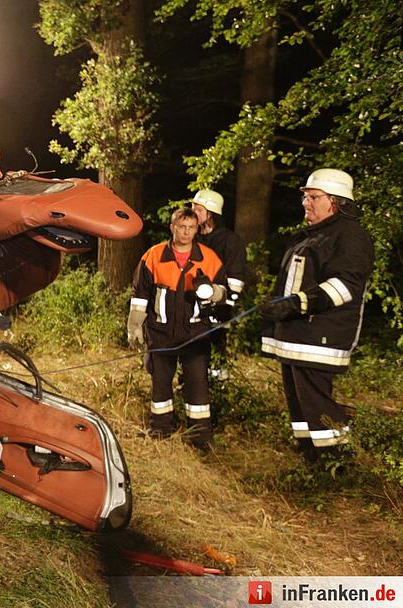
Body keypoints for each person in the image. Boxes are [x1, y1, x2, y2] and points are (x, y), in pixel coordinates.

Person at [259, 169, 373, 462]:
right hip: (297, 335)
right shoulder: (309, 236)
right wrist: (276, 308)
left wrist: (295, 305)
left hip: (320, 336)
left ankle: (337, 465)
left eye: (313, 197)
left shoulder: (351, 236)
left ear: (336, 202)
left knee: (317, 403)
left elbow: (344, 287)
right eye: (305, 197)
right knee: (300, 405)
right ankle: (309, 458)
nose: (306, 203)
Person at [128, 207, 228, 449]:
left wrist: (214, 292)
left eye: (191, 227)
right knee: (160, 383)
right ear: (172, 227)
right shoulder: (153, 256)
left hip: (195, 334)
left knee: (197, 386)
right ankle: (160, 430)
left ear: (197, 230)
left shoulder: (208, 258)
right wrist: (135, 326)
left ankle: (200, 437)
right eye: (181, 226)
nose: (186, 232)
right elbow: (140, 295)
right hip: (160, 333)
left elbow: (224, 291)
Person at [191, 189, 250, 380]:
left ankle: (218, 387)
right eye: (193, 208)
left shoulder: (230, 242)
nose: (193, 213)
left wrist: (224, 303)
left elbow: (236, 279)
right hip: (191, 308)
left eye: (198, 210)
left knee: (215, 354)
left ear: (211, 213)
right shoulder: (192, 239)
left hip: (218, 309)